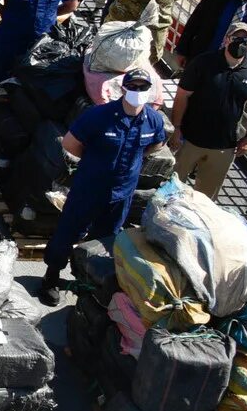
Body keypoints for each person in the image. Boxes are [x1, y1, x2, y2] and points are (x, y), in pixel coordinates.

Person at [37, 68, 173, 303]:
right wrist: (96, 162)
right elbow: (70, 144)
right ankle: (51, 277)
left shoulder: (152, 120)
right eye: (133, 87)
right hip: (89, 188)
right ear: (123, 89)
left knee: (106, 240)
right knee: (69, 231)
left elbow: (157, 144)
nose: (137, 92)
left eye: (142, 88)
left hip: (121, 193)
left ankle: (89, 283)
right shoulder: (99, 116)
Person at [169, 22, 247, 198]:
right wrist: (176, 128)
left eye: (245, 40)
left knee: (206, 199)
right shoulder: (202, 63)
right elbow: (182, 95)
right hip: (190, 140)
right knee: (172, 189)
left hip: (224, 146)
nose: (240, 43)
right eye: (236, 38)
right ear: (226, 39)